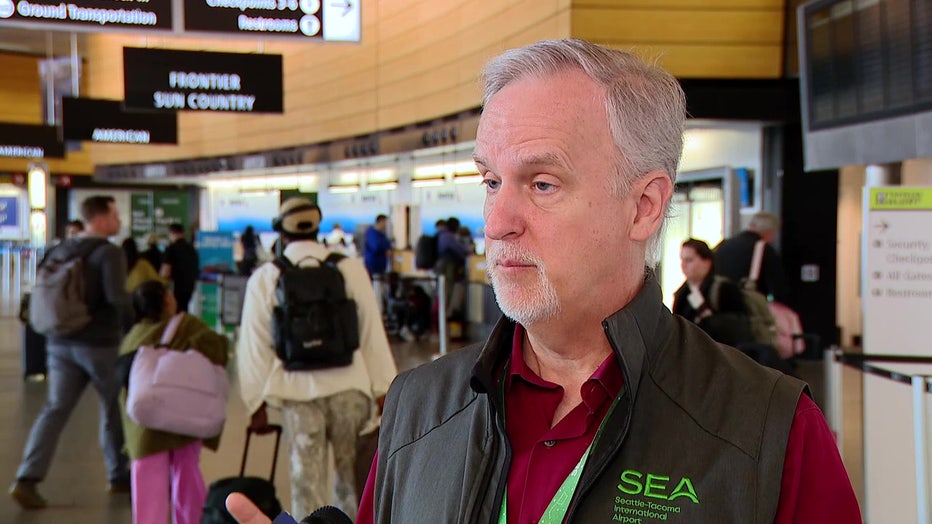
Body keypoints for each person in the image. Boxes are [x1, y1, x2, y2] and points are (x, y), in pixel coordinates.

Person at [226, 39, 860, 524]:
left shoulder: (769, 431)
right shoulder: (419, 407)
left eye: (542, 184)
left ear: (643, 207)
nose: (497, 221)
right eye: (491, 181)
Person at [236, 197, 398, 519]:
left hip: (298, 396)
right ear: (317, 227)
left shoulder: (267, 277)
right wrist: (384, 389)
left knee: (305, 485)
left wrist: (256, 404)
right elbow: (371, 331)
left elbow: (254, 345)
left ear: (282, 232)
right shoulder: (349, 268)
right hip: (350, 389)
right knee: (352, 482)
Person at [10, 195, 133, 509]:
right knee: (113, 407)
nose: (118, 221)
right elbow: (117, 298)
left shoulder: (59, 249)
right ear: (101, 219)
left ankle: (27, 477)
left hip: (60, 343)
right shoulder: (109, 253)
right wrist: (135, 329)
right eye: (115, 215)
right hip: (100, 345)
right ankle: (118, 475)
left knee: (54, 409)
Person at [119, 279, 228, 524]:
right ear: (167, 300)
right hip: (184, 420)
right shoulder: (187, 326)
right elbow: (219, 349)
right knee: (186, 475)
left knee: (147, 483)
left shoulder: (132, 337)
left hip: (145, 425)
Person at [672, 238, 753, 347]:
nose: (683, 265)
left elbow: (739, 327)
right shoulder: (682, 293)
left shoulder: (724, 289)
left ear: (707, 262)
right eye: (682, 260)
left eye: (689, 260)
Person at [714, 212, 790, 303]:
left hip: (720, 301)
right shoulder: (764, 249)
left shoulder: (724, 244)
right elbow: (778, 287)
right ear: (770, 232)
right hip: (747, 304)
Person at [434, 216, 470, 318]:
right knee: (446, 290)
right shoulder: (448, 236)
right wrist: (468, 251)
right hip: (447, 265)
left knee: (441, 291)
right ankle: (443, 316)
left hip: (441, 264)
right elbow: (459, 249)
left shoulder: (442, 234)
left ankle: (441, 316)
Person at [160, 223, 200, 312]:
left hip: (175, 287)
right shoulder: (192, 250)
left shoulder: (171, 249)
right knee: (184, 310)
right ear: (183, 233)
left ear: (171, 233)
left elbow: (165, 272)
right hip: (190, 287)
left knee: (174, 311)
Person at [363, 214, 392, 278]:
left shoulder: (382, 235)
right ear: (381, 222)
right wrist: (384, 251)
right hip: (373, 266)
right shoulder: (371, 233)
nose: (386, 225)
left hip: (381, 268)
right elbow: (375, 247)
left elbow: (387, 245)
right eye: (385, 223)